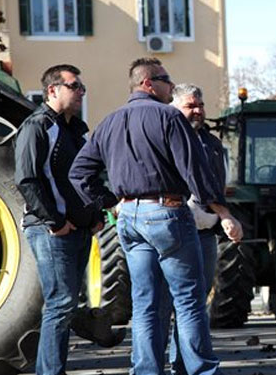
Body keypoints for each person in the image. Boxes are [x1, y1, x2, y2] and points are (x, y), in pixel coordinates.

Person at [68, 58, 242, 375]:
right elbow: (196, 172)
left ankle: (146, 370)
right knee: (189, 301)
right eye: (166, 80)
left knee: (145, 303)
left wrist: (112, 203)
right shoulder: (168, 118)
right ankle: (200, 370)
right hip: (168, 214)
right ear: (149, 83)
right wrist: (224, 212)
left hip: (129, 218)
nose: (171, 86)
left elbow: (79, 174)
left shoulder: (109, 122)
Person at [14, 64, 124, 375]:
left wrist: (100, 212)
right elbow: (27, 180)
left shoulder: (76, 130)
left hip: (79, 230)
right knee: (60, 304)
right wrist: (54, 222)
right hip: (52, 232)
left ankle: (76, 342)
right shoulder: (36, 127)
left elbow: (84, 179)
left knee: (64, 304)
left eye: (81, 87)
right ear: (52, 90)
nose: (82, 92)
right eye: (75, 86)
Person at [163, 83, 227, 374]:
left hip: (205, 233)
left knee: (195, 304)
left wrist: (223, 215)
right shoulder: (164, 136)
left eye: (200, 105)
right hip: (172, 228)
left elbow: (217, 186)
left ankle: (182, 365)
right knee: (170, 303)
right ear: (175, 106)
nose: (198, 111)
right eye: (191, 106)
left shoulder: (212, 144)